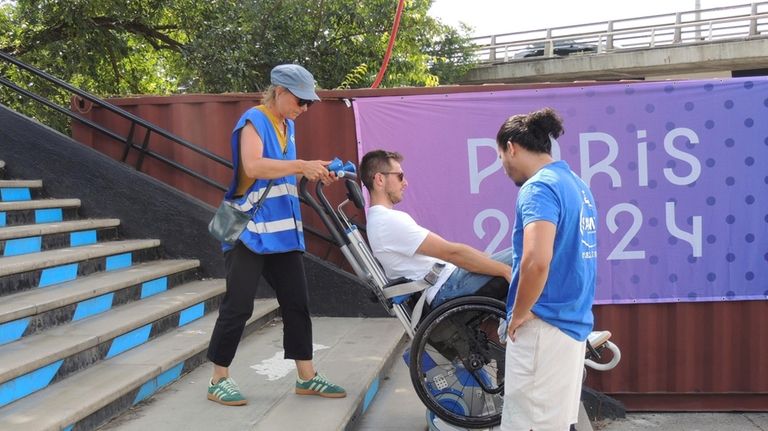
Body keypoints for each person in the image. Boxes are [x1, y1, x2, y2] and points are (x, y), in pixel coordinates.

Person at [206, 64, 346, 406]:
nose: (305, 108)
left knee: (297, 302)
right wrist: (301, 165)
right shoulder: (254, 120)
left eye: (309, 103)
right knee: (238, 305)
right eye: (300, 101)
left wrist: (315, 172)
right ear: (280, 92)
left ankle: (306, 377)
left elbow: (278, 176)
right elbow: (253, 167)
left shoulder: (287, 125)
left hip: (282, 231)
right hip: (250, 233)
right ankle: (218, 379)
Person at [495, 107, 597, 431]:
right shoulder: (576, 184)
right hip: (571, 324)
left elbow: (537, 261)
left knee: (527, 425)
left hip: (543, 327)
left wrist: (521, 311)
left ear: (511, 147)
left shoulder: (539, 188)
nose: (503, 166)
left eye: (500, 156)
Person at [359, 150, 512, 313]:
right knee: (528, 254)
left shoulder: (383, 221)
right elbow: (451, 253)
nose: (405, 183)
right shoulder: (386, 222)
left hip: (448, 282)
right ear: (380, 179)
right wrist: (504, 270)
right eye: (400, 176)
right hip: (448, 287)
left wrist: (490, 261)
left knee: (526, 255)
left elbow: (451, 252)